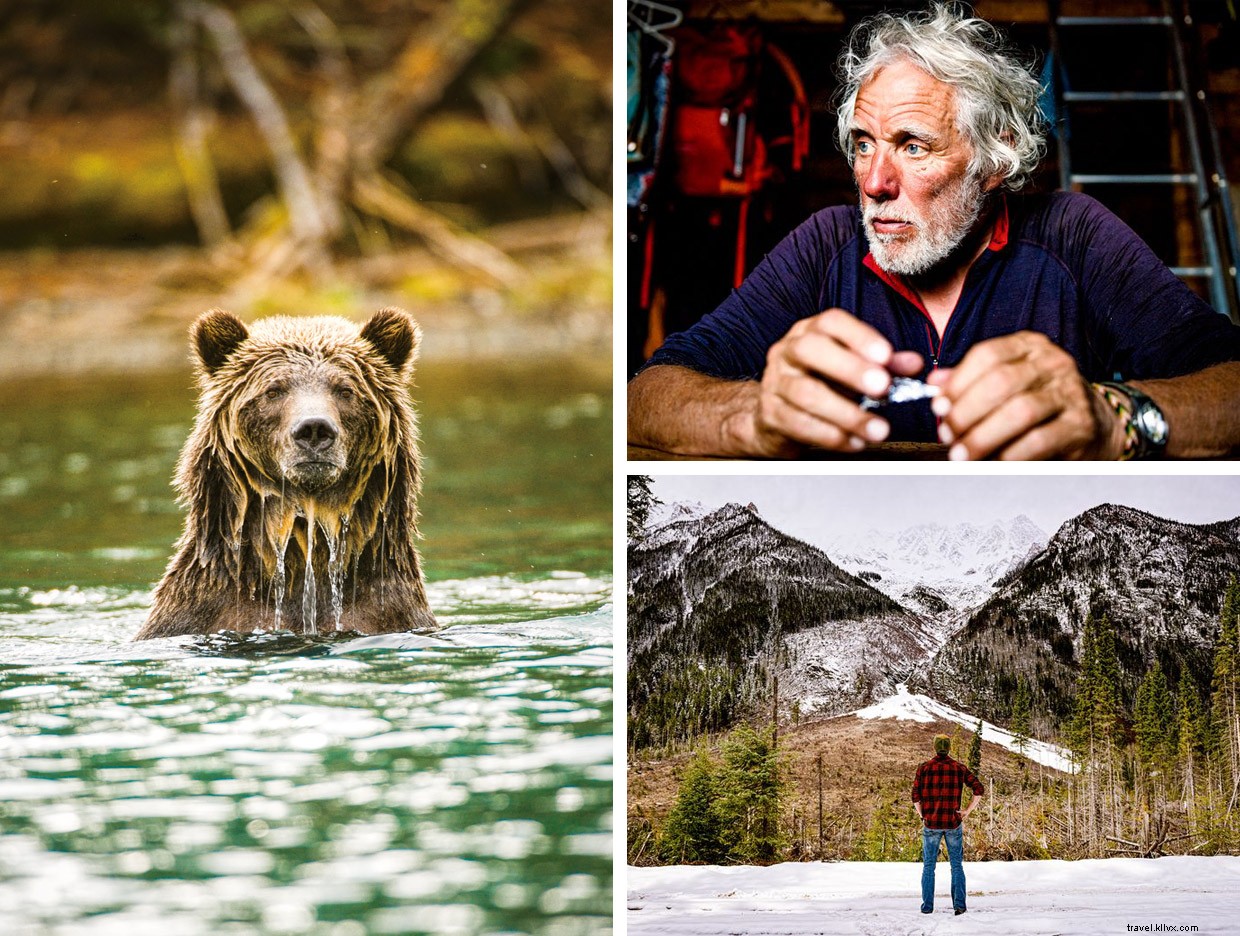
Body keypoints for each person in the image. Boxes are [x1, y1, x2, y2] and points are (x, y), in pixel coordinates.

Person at [627, 4, 1240, 460]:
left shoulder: (1073, 235)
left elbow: (1231, 386)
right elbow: (644, 396)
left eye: (912, 146)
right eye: (862, 146)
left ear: (995, 159)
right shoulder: (824, 246)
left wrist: (1114, 419)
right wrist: (751, 416)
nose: (874, 182)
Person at [912, 733, 984, 915]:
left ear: (935, 747)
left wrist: (923, 815)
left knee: (929, 867)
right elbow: (978, 789)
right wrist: (967, 810)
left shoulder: (924, 768)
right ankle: (959, 906)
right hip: (953, 823)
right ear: (949, 748)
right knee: (957, 866)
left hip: (931, 824)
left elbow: (915, 796)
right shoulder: (958, 768)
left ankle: (927, 907)